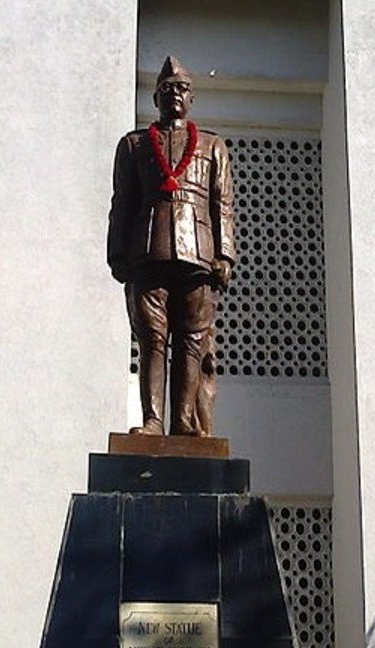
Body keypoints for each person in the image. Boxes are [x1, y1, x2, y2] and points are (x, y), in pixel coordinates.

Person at [107, 55, 236, 436]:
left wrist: (225, 254)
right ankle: (152, 420)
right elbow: (122, 202)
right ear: (156, 98)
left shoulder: (213, 147)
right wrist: (116, 253)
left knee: (192, 341)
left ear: (191, 98)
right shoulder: (133, 146)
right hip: (148, 250)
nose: (175, 95)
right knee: (152, 339)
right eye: (167, 89)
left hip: (198, 253)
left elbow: (222, 204)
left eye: (182, 89)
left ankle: (182, 422)